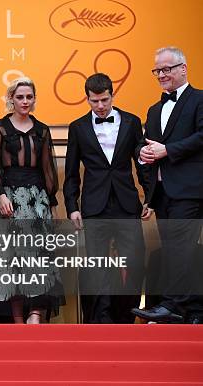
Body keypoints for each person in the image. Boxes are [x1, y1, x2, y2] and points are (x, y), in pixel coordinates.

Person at [64, 73, 150, 323]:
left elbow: (142, 164)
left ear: (112, 95)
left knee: (134, 262)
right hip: (94, 206)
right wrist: (72, 207)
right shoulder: (78, 127)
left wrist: (149, 198)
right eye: (94, 101)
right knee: (96, 266)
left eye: (104, 100)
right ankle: (101, 320)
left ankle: (127, 317)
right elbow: (70, 173)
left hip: (126, 205)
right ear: (87, 99)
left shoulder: (132, 122)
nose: (100, 106)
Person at [132, 46, 203, 324]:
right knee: (175, 248)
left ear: (183, 69)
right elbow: (146, 141)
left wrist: (167, 150)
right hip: (162, 192)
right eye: (157, 70)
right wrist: (143, 153)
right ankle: (192, 310)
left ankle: (172, 305)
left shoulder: (199, 99)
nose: (161, 74)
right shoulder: (153, 109)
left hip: (189, 190)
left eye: (166, 69)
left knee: (180, 248)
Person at [0, 77, 62, 323]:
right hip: (9, 198)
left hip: (38, 200)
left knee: (39, 256)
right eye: (20, 97)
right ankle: (19, 321)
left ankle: (36, 312)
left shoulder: (43, 130)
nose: (25, 101)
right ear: (11, 99)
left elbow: (48, 168)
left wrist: (51, 203)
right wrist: (0, 195)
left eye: (29, 97)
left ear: (34, 99)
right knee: (11, 260)